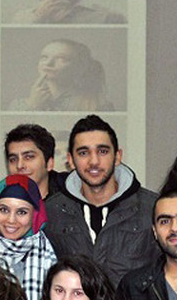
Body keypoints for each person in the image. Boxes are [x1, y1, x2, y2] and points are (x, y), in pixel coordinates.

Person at [46, 116, 159, 285]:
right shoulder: (51, 212)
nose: (94, 161)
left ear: (118, 156)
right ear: (70, 160)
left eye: (103, 151)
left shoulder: (152, 208)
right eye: (83, 153)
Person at [0, 174, 57, 300]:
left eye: (22, 212)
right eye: (4, 210)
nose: (11, 220)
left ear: (35, 215)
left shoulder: (49, 252)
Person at [13, 39, 109, 111]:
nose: (49, 63)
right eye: (44, 57)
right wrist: (32, 105)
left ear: (78, 67)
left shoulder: (97, 105)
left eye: (61, 58)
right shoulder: (17, 105)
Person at [4, 123, 63, 200]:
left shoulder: (69, 205)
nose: (19, 165)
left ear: (49, 164)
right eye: (13, 159)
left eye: (28, 157)